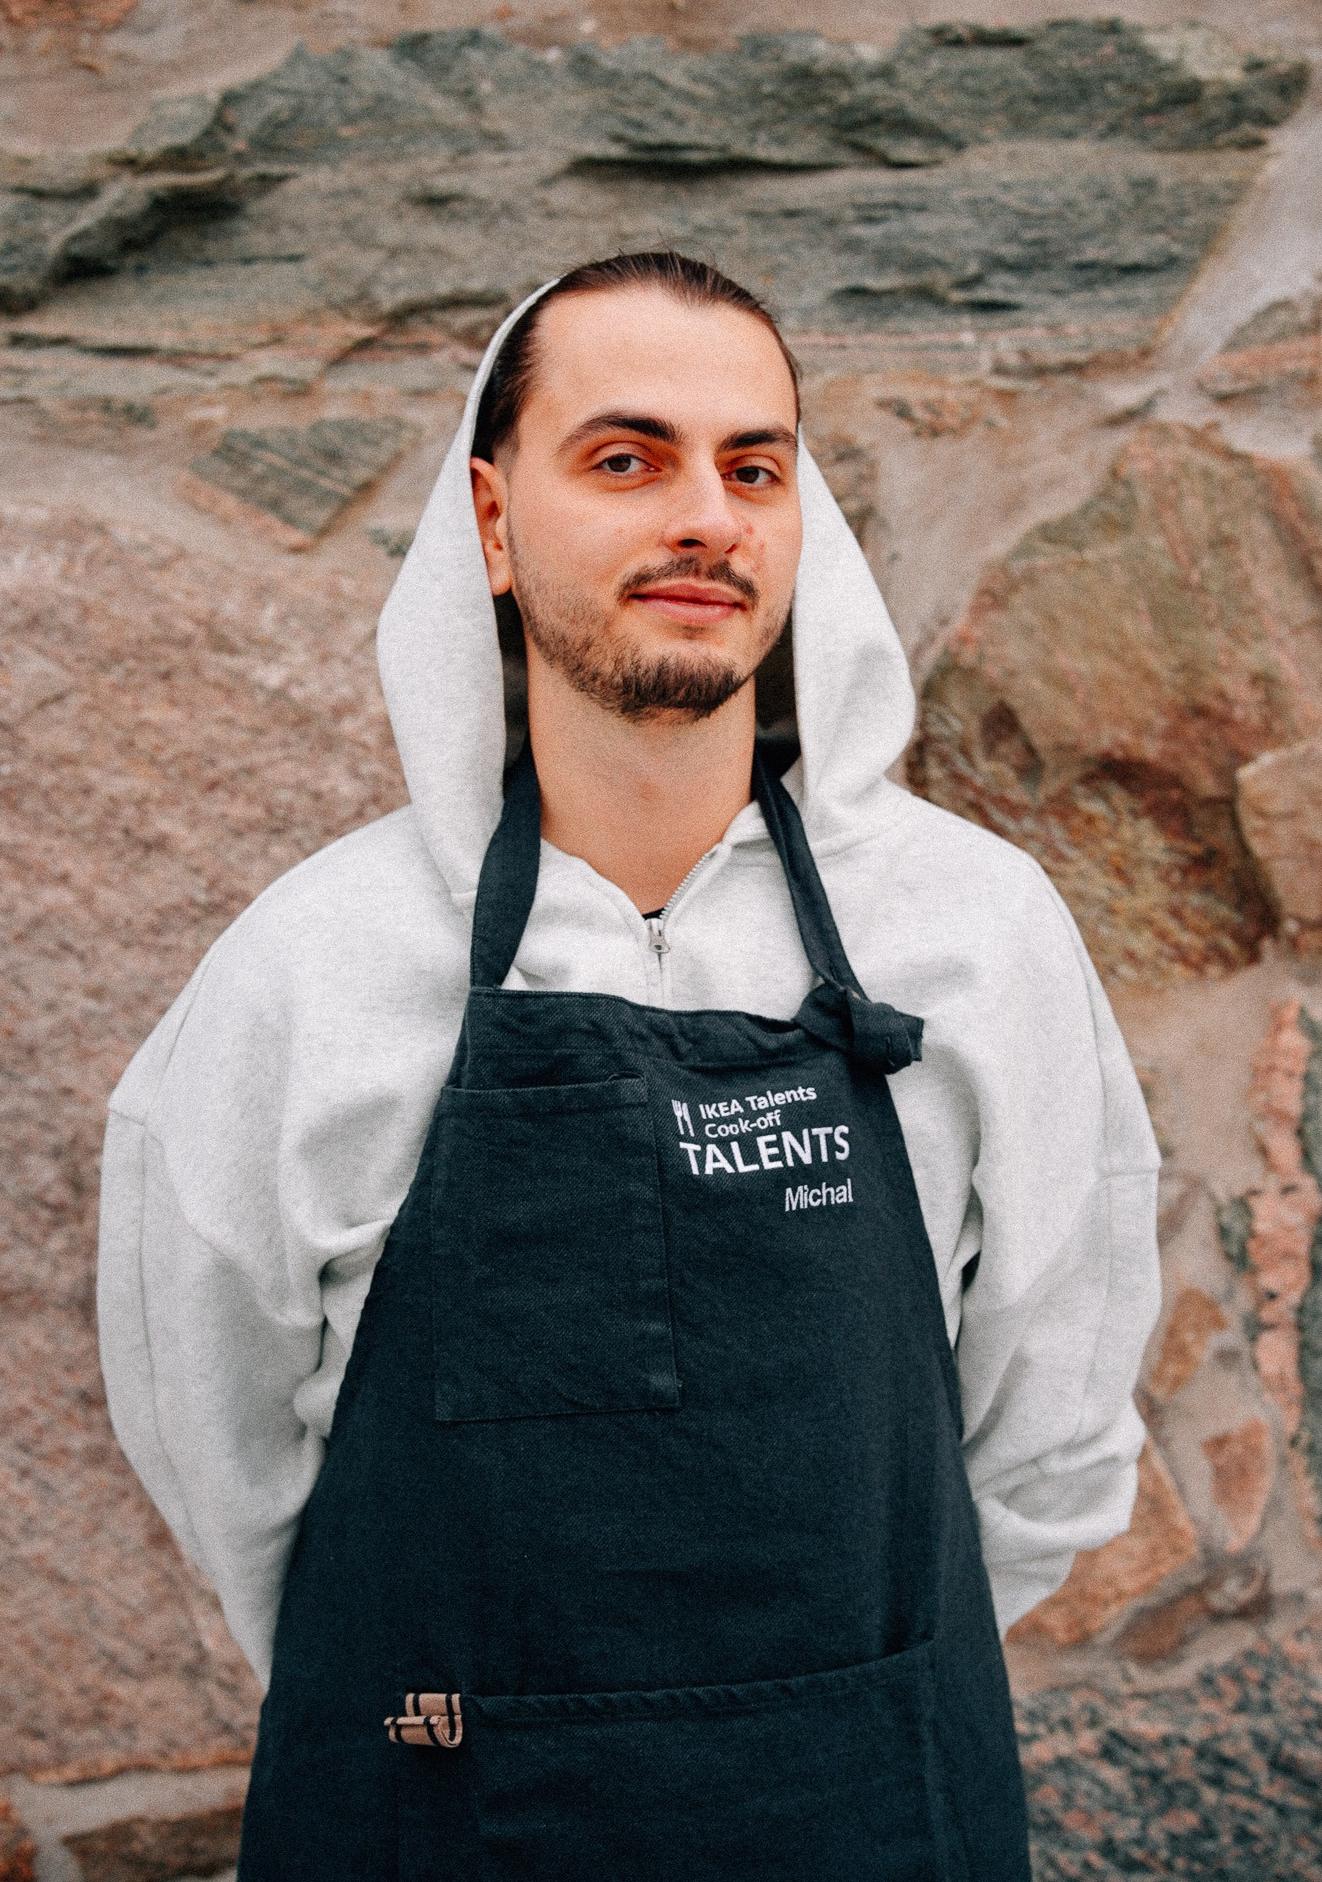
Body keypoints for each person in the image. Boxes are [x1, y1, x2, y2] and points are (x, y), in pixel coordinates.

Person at [97, 250, 1163, 1880]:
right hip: (432, 1809)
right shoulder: (308, 973)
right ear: (493, 521)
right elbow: (220, 1451)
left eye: (754, 467)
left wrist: (834, 1689)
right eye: (625, 457)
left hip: (872, 1801)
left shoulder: (973, 936)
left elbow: (1052, 1432)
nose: (707, 516)